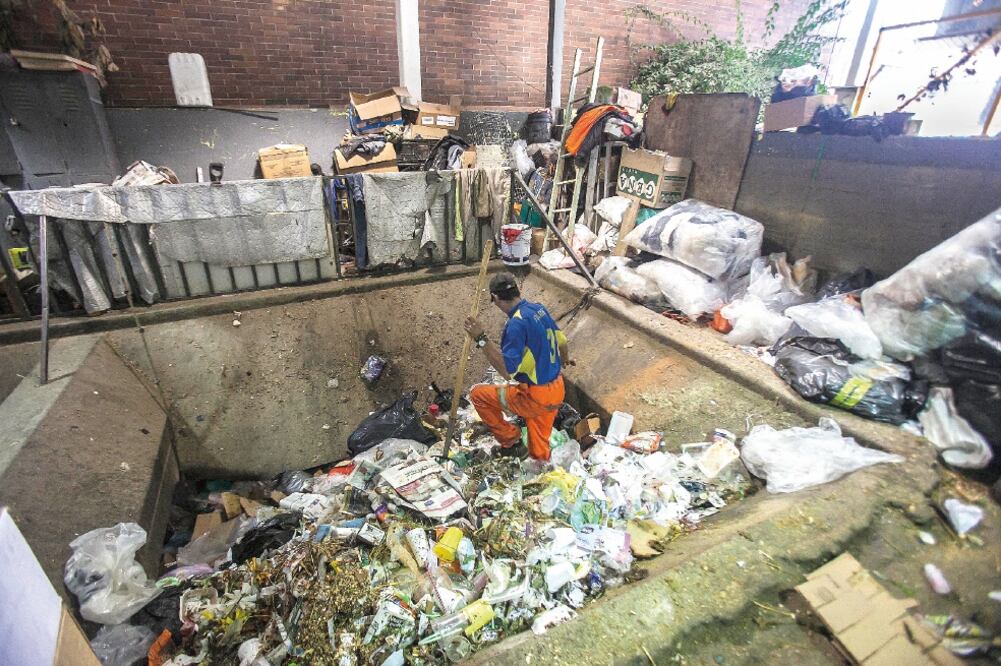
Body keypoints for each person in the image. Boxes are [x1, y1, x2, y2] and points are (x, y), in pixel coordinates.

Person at [464, 273, 571, 461]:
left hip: (534, 397)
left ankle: (511, 442)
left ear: (495, 297)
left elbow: (508, 372)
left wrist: (481, 338)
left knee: (478, 395)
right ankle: (541, 471)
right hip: (556, 390)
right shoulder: (538, 309)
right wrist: (564, 360)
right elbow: (562, 341)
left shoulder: (516, 325)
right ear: (517, 290)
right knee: (539, 453)